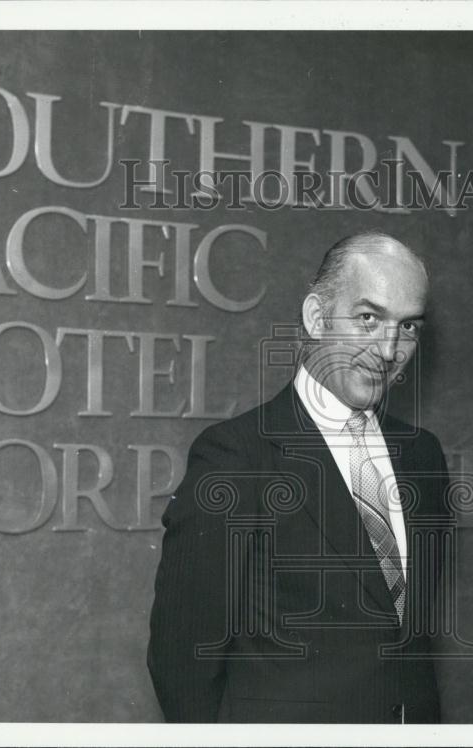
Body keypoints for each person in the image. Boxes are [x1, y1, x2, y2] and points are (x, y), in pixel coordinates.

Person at [148, 231, 451, 723]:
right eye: (368, 318)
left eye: (408, 327)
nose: (389, 349)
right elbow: (182, 658)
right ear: (315, 317)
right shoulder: (236, 456)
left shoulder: (423, 456)